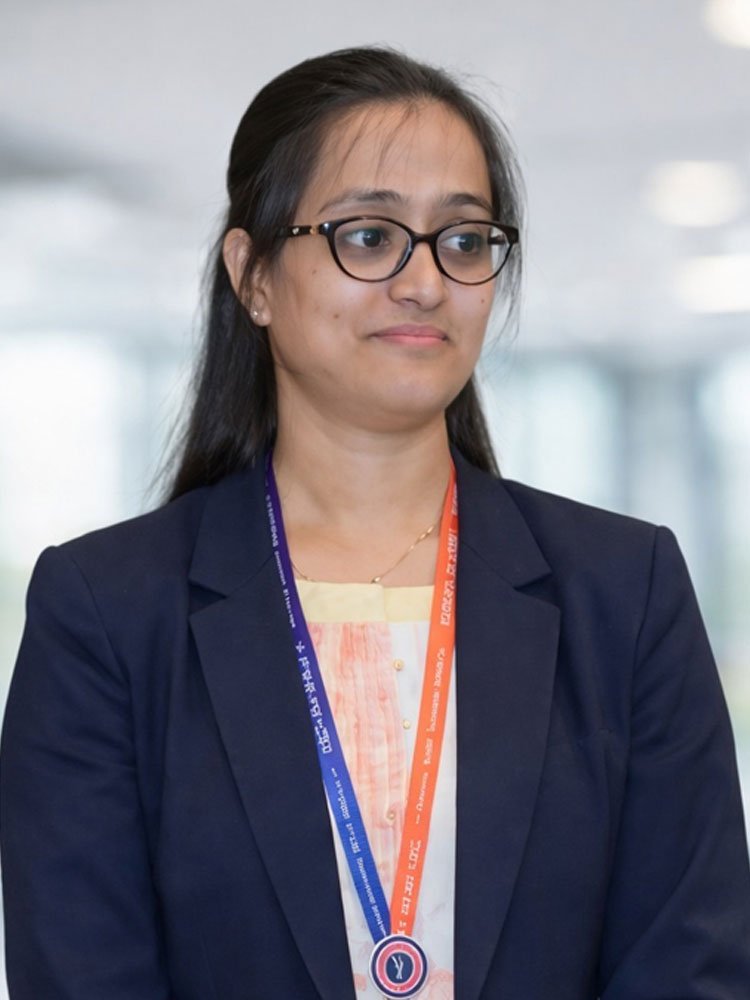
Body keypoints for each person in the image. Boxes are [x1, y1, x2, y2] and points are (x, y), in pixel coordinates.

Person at [1, 46, 749, 1000]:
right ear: (253, 275)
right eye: (368, 235)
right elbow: (81, 972)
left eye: (463, 240)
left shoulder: (624, 591)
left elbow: (692, 964)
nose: (425, 280)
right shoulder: (107, 613)